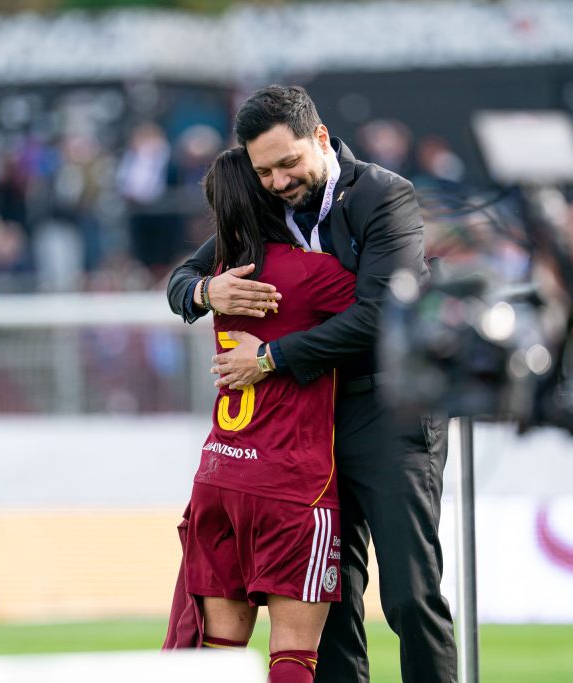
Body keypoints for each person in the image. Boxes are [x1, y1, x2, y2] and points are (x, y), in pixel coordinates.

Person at [167, 85, 456, 683]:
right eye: (263, 171)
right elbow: (183, 278)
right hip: (311, 425)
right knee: (334, 605)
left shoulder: (384, 194)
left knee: (410, 596)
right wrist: (206, 291)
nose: (277, 182)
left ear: (320, 138)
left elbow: (384, 314)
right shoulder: (264, 203)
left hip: (391, 407)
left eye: (288, 163)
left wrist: (271, 357)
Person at [169, 147, 357, 682]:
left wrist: (199, 291)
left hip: (219, 475)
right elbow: (386, 309)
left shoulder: (221, 280)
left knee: (220, 657)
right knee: (294, 655)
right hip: (290, 484)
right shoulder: (312, 273)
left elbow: (180, 281)